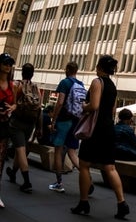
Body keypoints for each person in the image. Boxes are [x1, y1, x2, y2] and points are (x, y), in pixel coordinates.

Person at [70, 55, 130, 219]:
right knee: (110, 167)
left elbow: (94, 105)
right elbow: (112, 110)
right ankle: (122, 203)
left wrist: (84, 106)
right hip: (108, 128)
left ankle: (83, 202)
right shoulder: (112, 86)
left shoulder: (97, 82)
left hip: (95, 129)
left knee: (84, 164)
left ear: (100, 67)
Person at [47, 62, 85, 193]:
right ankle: (87, 177)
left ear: (68, 70)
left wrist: (54, 120)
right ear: (77, 70)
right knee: (72, 151)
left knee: (58, 150)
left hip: (64, 120)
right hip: (75, 121)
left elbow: (60, 102)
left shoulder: (64, 83)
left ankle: (59, 183)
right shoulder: (81, 84)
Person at [6, 63, 42, 193]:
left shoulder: (17, 85)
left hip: (17, 123)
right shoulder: (36, 88)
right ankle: (13, 173)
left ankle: (27, 182)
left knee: (21, 150)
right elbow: (39, 109)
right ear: (32, 74)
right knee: (19, 150)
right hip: (30, 124)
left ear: (22, 72)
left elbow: (12, 103)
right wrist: (39, 128)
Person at [0, 53, 17, 209]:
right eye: (5, 63)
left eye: (10, 64)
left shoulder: (12, 85)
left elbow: (15, 104)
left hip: (4, 125)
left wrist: (11, 108)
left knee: (0, 160)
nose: (8, 66)